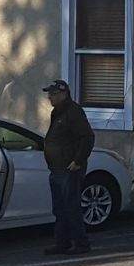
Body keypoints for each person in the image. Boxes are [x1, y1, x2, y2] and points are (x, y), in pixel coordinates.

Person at [40, 79, 94, 256]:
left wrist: (77, 161)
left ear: (64, 93)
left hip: (69, 169)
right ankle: (62, 243)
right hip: (56, 169)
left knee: (71, 208)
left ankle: (81, 243)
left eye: (53, 94)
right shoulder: (58, 113)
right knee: (60, 209)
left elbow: (87, 138)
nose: (50, 98)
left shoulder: (73, 112)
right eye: (49, 94)